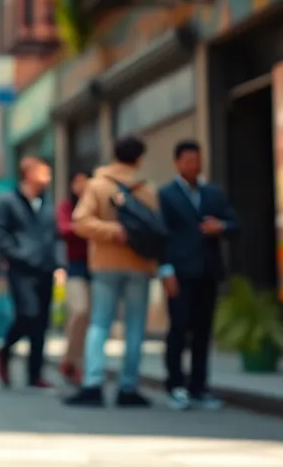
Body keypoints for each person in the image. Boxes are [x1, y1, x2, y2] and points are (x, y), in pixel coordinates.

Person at [67, 135, 159, 408]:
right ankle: (128, 387)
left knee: (100, 323)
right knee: (135, 326)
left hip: (105, 264)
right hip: (139, 264)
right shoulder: (148, 189)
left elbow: (80, 221)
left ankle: (93, 384)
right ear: (139, 158)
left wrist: (109, 231)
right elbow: (156, 231)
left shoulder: (97, 185)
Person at [158, 140, 237, 409]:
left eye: (198, 160)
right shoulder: (166, 195)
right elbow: (161, 236)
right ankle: (175, 385)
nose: (194, 165)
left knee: (203, 331)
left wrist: (222, 226)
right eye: (189, 160)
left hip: (208, 270)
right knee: (179, 329)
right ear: (178, 162)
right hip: (179, 272)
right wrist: (165, 270)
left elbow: (235, 223)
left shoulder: (213, 193)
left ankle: (199, 387)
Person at [0, 158, 58, 389]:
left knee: (41, 322)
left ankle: (35, 374)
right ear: (29, 174)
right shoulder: (7, 202)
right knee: (27, 314)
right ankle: (5, 351)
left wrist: (59, 263)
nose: (48, 179)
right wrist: (17, 254)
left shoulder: (47, 204)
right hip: (21, 270)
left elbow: (55, 237)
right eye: (44, 174)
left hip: (46, 269)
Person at [57, 171, 91, 386]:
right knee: (79, 312)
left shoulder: (98, 204)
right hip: (76, 266)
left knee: (89, 320)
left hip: (98, 266)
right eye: (77, 181)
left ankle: (76, 364)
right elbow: (65, 229)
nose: (81, 185)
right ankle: (71, 360)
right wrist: (90, 228)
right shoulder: (67, 207)